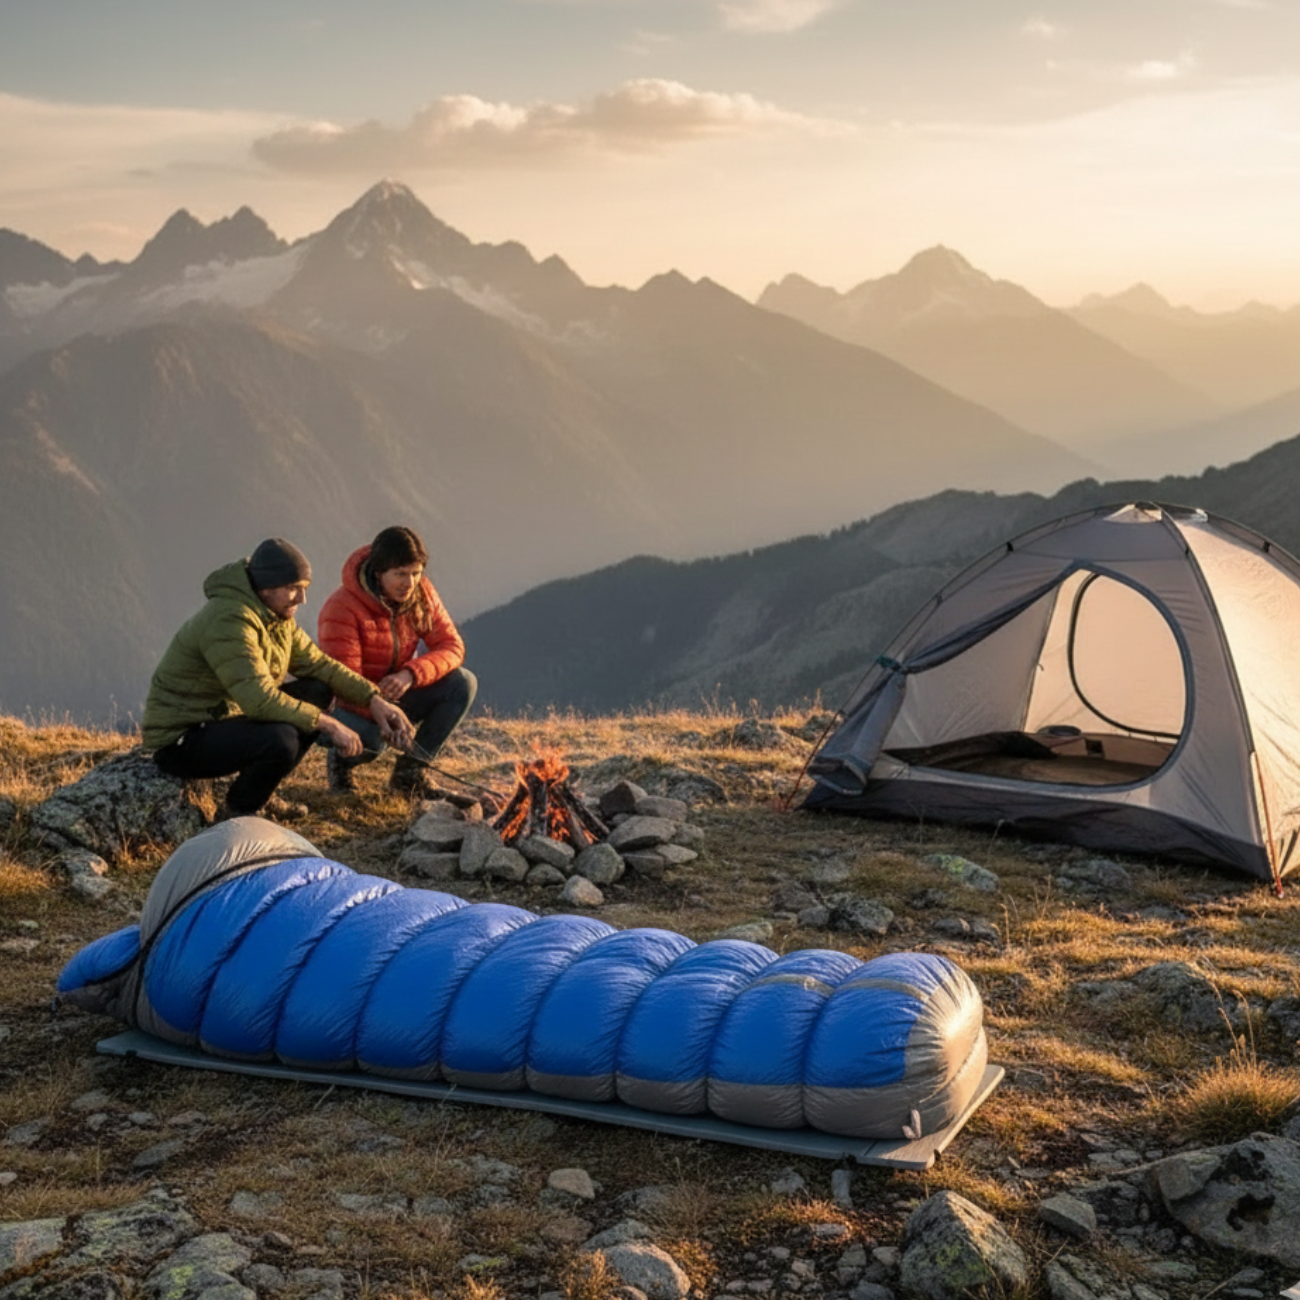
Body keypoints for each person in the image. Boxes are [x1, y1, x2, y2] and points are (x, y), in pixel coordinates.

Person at [143, 537, 415, 818]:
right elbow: (258, 700)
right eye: (293, 588)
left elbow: (320, 665)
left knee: (318, 691)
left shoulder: (275, 617)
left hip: (220, 720)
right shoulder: (230, 620)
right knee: (280, 741)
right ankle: (238, 812)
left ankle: (262, 792)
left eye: (304, 588)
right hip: (181, 740)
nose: (302, 598)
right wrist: (329, 724)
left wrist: (373, 699)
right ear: (266, 587)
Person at [317, 525, 477, 796]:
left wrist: (411, 674)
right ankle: (340, 759)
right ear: (379, 572)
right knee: (372, 740)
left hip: (393, 696)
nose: (409, 583)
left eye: (416, 573)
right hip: (346, 706)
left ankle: (410, 774)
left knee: (462, 683)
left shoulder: (421, 595)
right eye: (400, 574)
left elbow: (451, 645)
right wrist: (385, 717)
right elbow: (343, 684)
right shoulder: (341, 608)